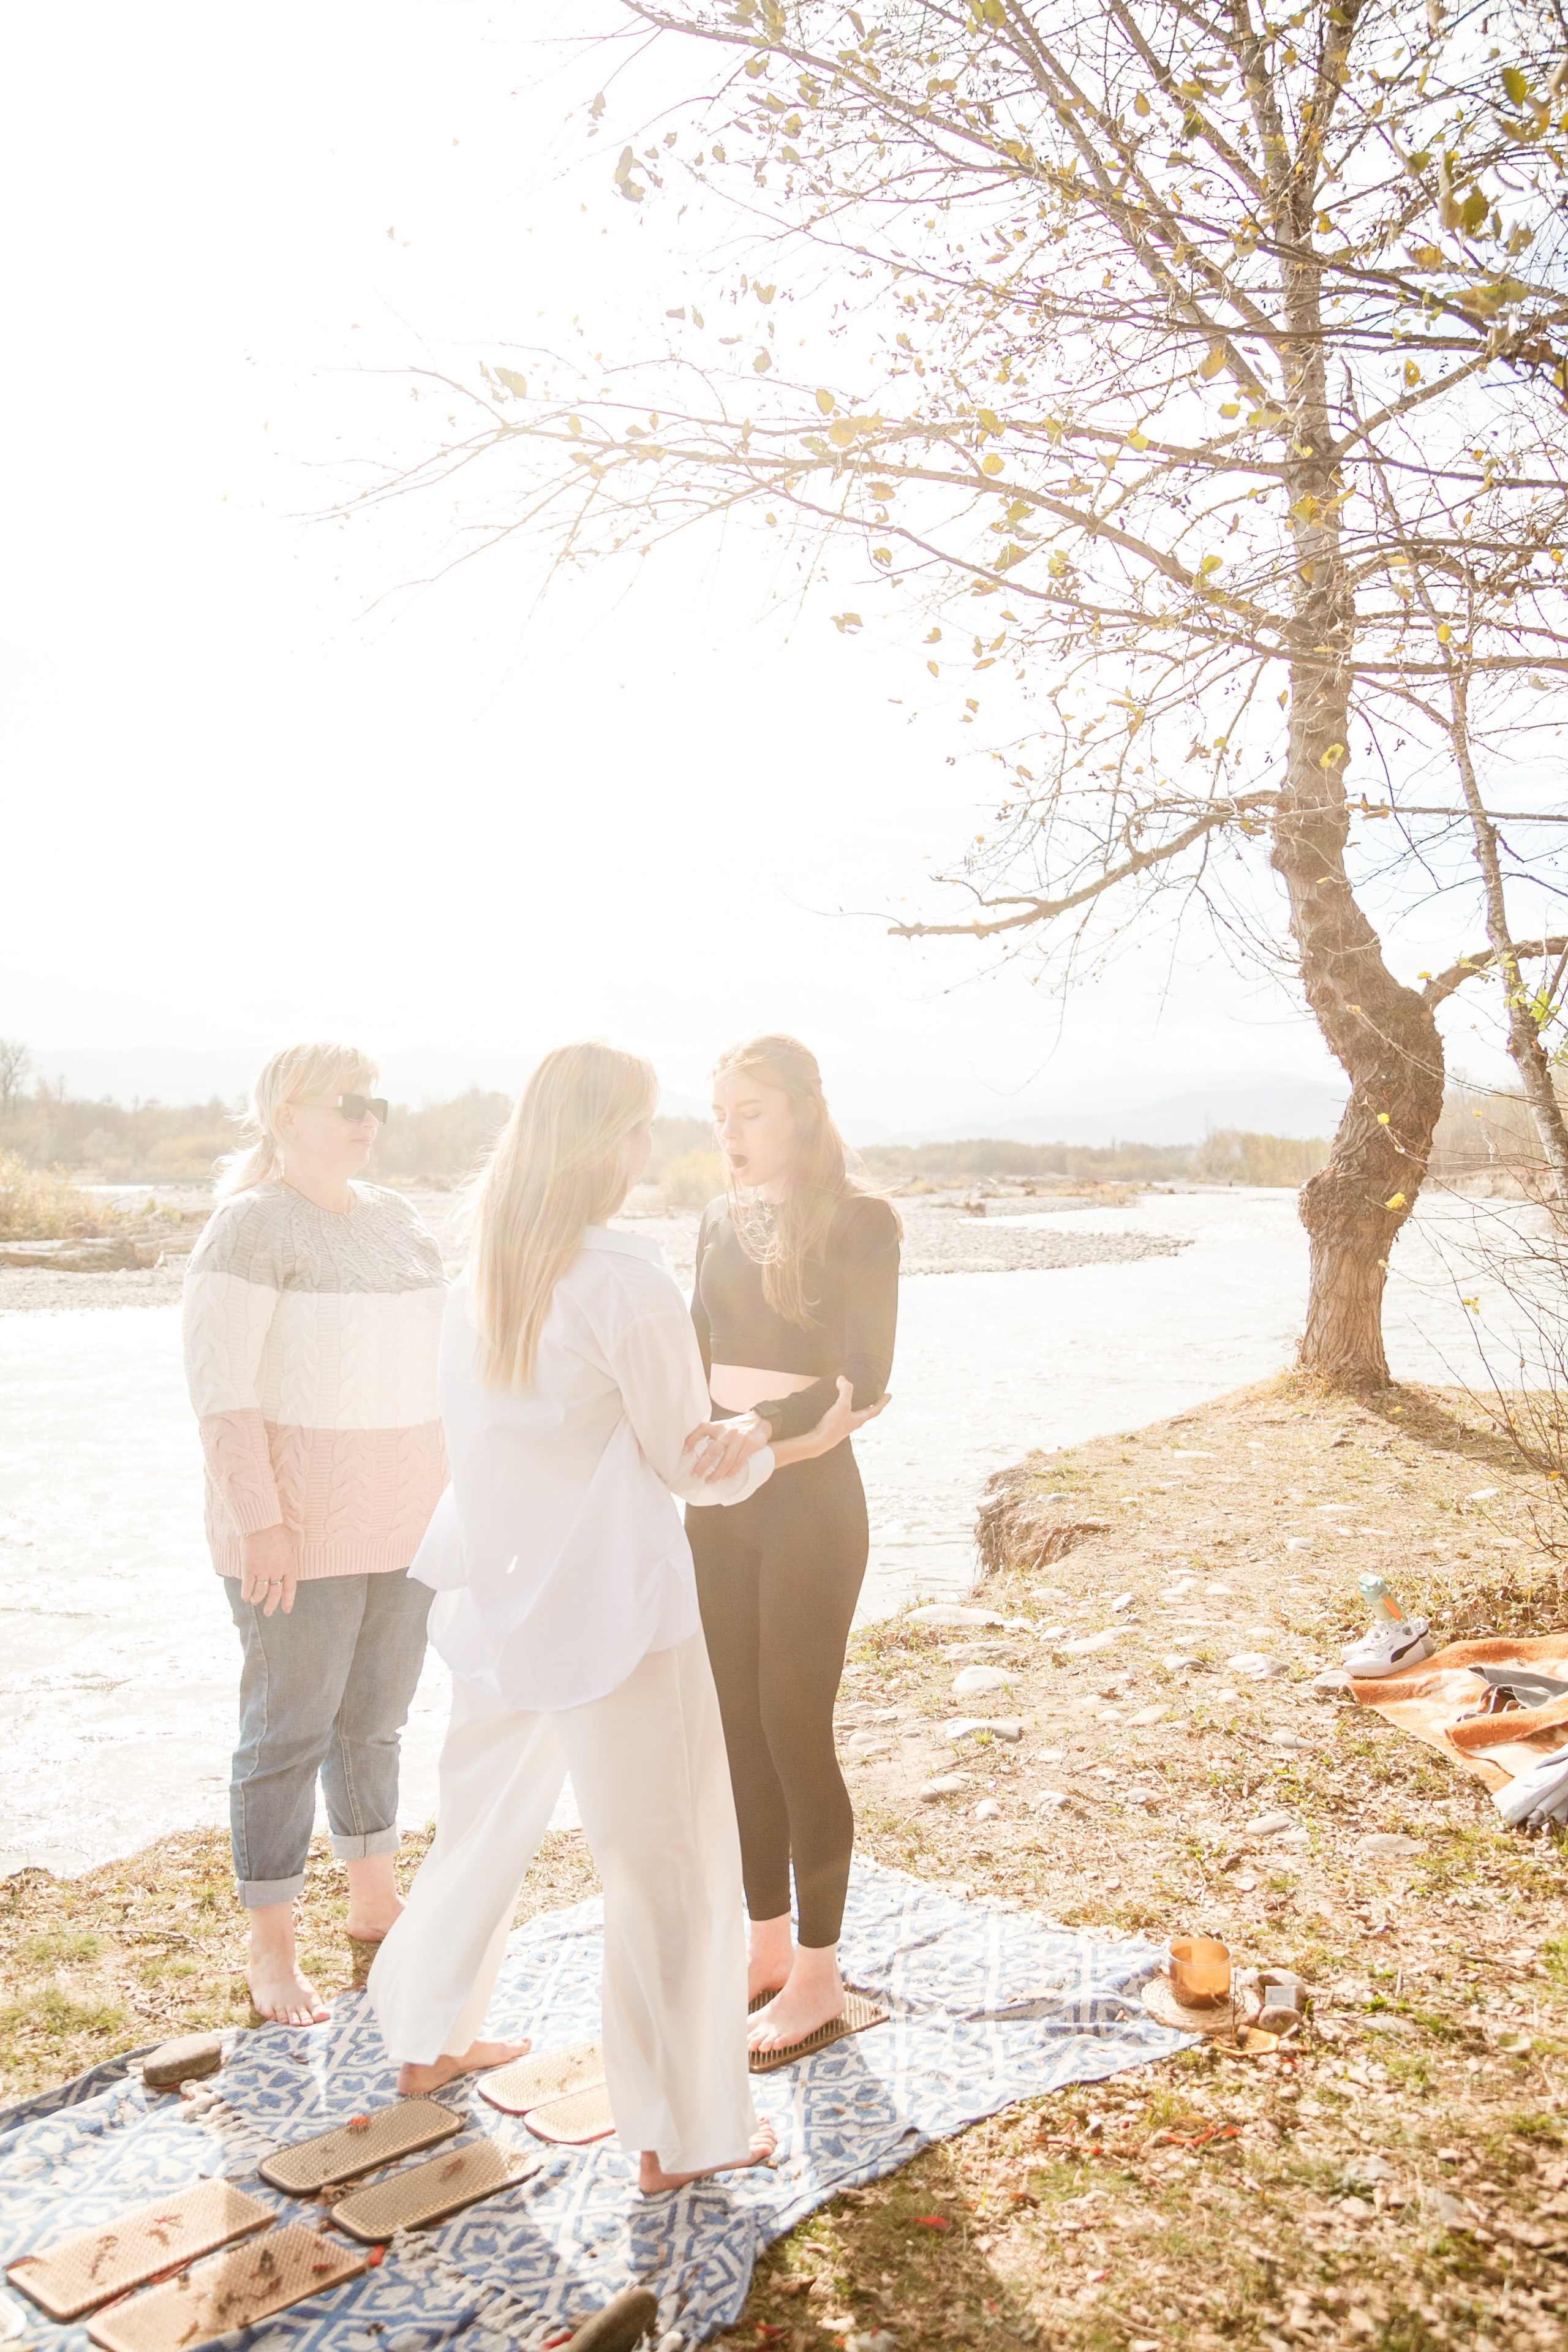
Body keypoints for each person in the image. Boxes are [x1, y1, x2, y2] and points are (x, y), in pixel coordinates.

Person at [368, 1041, 857, 2195]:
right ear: (608, 1144)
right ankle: (686, 2137)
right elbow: (686, 1464)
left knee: (481, 1826)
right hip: (612, 1617)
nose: (653, 1148)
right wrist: (770, 1444)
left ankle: (429, 2039)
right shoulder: (621, 1278)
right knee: (669, 1868)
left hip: (496, 1595)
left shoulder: (480, 1273)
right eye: (641, 1127)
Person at [182, 1041, 447, 2027]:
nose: (366, 1116)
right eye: (346, 1101)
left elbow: (441, 1370)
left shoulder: (401, 1222)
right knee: (286, 1735)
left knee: (374, 1720)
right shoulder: (247, 1229)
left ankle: (375, 1905)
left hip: (409, 1523)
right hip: (293, 1534)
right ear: (285, 1113)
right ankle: (272, 1951)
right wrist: (262, 1524)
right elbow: (222, 1396)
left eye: (376, 1100)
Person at [686, 1034, 899, 2057]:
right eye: (721, 1111)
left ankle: (820, 1974)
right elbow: (694, 1360)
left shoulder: (862, 1221)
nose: (730, 1130)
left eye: (752, 1110)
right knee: (735, 1725)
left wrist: (765, 1430)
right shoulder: (716, 1221)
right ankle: (766, 1950)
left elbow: (867, 1377)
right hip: (718, 1501)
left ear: (805, 1111)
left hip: (810, 1504)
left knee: (791, 1726)